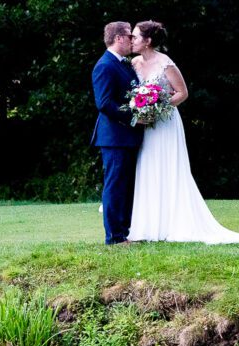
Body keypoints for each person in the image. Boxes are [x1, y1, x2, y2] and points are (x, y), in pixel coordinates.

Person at [126, 21, 239, 244]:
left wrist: (159, 107)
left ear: (148, 41)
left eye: (135, 36)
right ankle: (149, 226)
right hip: (147, 125)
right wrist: (142, 109)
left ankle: (173, 224)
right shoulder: (134, 63)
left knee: (168, 167)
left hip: (164, 122)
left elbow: (182, 93)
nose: (131, 40)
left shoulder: (166, 64)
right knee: (148, 166)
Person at [91, 22, 144, 245]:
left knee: (127, 186)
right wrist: (133, 117)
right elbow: (104, 104)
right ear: (119, 38)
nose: (133, 39)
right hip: (114, 137)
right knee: (115, 185)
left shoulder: (124, 64)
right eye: (130, 35)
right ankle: (114, 237)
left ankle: (123, 233)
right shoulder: (104, 66)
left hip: (128, 137)